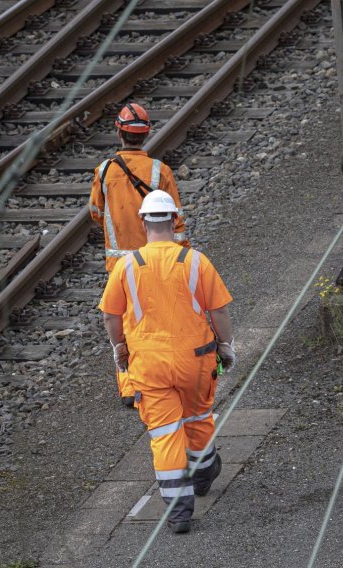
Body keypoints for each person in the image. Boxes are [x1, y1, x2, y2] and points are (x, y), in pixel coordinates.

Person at [98, 190, 236, 534]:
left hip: (148, 364)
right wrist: (226, 345)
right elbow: (218, 309)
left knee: (164, 435)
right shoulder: (195, 261)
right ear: (174, 221)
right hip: (196, 360)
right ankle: (203, 473)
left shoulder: (126, 266)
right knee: (199, 417)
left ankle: (178, 514)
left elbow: (111, 315)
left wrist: (119, 347)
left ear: (143, 222)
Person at [89, 102, 190, 406]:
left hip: (121, 264)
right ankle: (163, 377)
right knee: (158, 319)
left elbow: (95, 211)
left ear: (118, 131)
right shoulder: (161, 170)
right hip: (158, 260)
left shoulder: (104, 170)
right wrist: (181, 257)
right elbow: (176, 220)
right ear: (146, 134)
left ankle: (131, 387)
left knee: (123, 324)